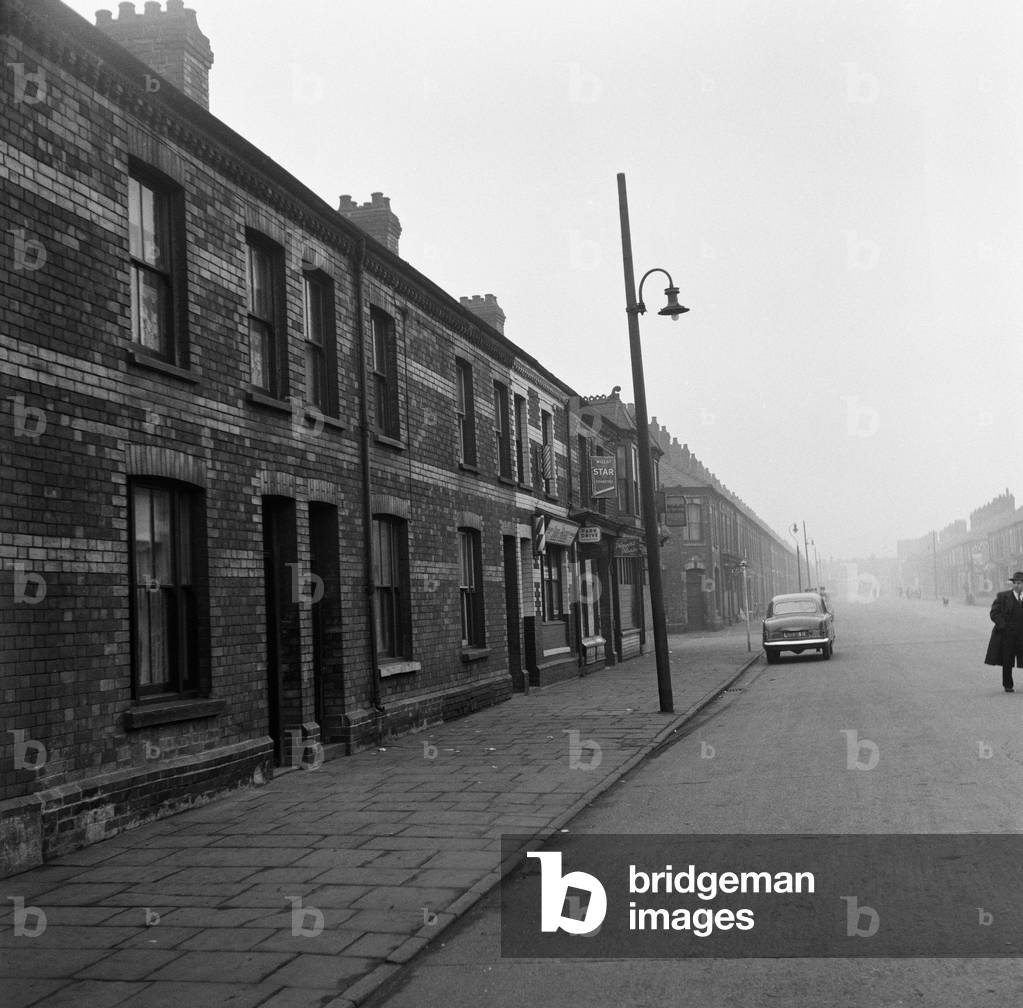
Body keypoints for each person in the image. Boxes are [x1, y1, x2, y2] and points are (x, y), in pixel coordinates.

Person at [985, 573, 1023, 692]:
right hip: (1008, 634)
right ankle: (1008, 685)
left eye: (1021, 583)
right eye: (1016, 583)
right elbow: (994, 613)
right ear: (1013, 584)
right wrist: (1003, 626)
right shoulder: (1003, 597)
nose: (1018, 585)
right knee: (1007, 659)